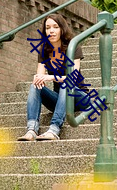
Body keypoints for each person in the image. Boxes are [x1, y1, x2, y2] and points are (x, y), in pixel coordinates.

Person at [18, 13, 90, 141]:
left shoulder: (73, 47)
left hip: (79, 98)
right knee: (35, 85)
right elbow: (40, 77)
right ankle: (32, 129)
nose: (51, 30)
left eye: (55, 27)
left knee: (65, 84)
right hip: (60, 100)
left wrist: (50, 77)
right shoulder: (44, 49)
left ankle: (54, 129)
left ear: (62, 29)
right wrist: (39, 78)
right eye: (48, 27)